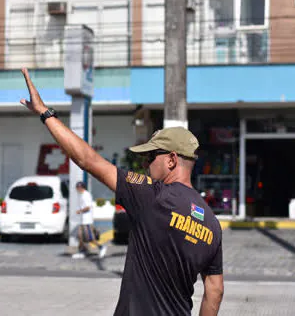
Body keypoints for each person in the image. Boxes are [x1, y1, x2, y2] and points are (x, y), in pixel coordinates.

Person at [19, 68, 223, 316]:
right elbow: (215, 290)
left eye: (151, 156)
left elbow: (87, 160)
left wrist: (45, 113)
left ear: (171, 160)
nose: (146, 164)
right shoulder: (211, 222)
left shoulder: (153, 195)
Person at [73, 181, 107, 259]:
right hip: (82, 220)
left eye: (78, 188)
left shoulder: (86, 195)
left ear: (81, 188)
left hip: (87, 221)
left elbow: (88, 207)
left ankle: (101, 247)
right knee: (80, 236)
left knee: (90, 238)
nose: (77, 189)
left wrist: (80, 211)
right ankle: (82, 251)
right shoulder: (81, 195)